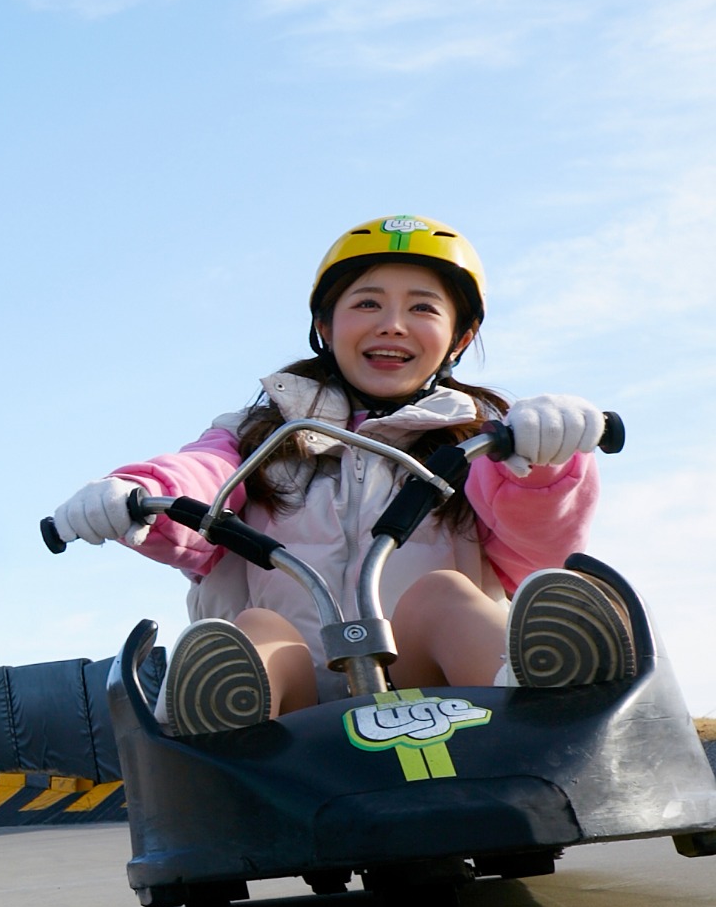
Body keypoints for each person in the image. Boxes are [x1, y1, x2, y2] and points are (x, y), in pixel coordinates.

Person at [51, 216, 625, 736]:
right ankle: (224, 724)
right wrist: (140, 495)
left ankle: (543, 701)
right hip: (299, 716)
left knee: (446, 596)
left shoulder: (484, 443)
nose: (394, 324)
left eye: (423, 308)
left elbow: (539, 545)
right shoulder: (259, 435)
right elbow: (201, 476)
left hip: (444, 694)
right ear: (325, 325)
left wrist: (546, 460)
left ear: (461, 337)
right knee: (257, 628)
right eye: (368, 304)